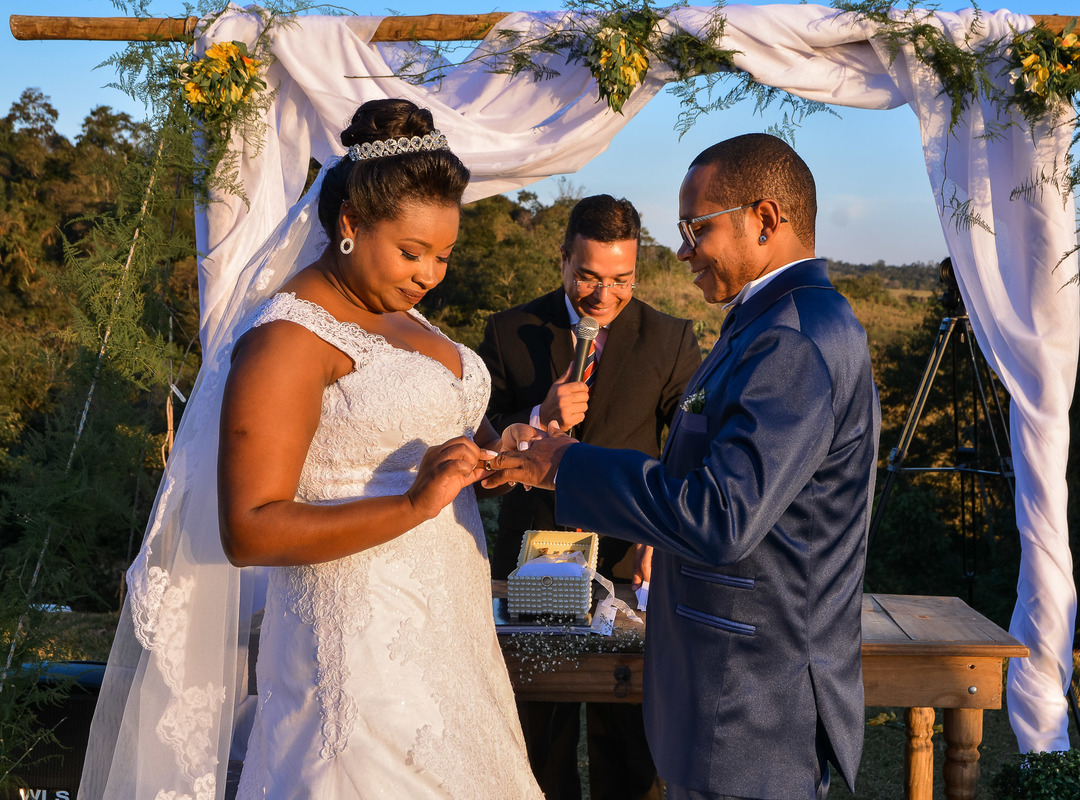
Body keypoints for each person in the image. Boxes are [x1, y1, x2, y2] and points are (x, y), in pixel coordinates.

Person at [79, 99, 543, 799]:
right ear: (350, 224)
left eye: (444, 255)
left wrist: (495, 451)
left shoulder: (399, 309)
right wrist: (418, 500)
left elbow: (426, 427)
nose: (430, 274)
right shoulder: (287, 340)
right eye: (412, 252)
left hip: (452, 635)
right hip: (357, 655)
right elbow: (251, 528)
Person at [487, 133, 881, 800]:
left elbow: (722, 515)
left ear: (765, 219)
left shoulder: (794, 338)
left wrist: (566, 465)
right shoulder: (758, 324)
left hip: (754, 698)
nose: (684, 249)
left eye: (696, 228)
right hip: (717, 682)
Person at [478, 195, 701, 800]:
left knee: (628, 745)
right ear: (563, 261)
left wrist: (660, 533)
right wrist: (533, 416)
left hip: (631, 559)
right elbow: (476, 432)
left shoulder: (672, 339)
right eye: (589, 277)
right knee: (534, 739)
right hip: (530, 561)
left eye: (621, 280)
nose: (604, 295)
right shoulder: (506, 330)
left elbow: (687, 453)